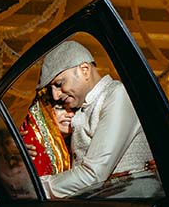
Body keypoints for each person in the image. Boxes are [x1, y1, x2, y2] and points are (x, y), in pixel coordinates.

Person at [37, 40, 154, 198]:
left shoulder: (116, 94)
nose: (55, 95)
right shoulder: (81, 108)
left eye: (59, 84)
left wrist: (37, 187)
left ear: (84, 70)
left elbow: (93, 175)